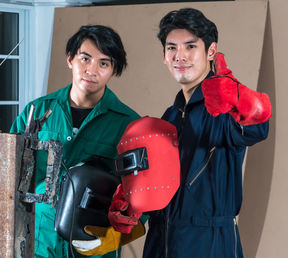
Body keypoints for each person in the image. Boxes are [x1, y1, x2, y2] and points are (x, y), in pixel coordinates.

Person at [108, 8, 272, 258]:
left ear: (211, 51)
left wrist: (237, 95)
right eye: (172, 47)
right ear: (164, 55)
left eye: (190, 46)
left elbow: (258, 125)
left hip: (210, 245)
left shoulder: (224, 110)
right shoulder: (169, 117)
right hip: (160, 243)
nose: (179, 56)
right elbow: (159, 188)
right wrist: (132, 205)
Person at [0, 25, 145, 258]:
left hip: (93, 243)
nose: (92, 70)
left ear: (113, 69)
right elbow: (4, 177)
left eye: (103, 63)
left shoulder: (129, 125)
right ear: (70, 59)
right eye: (85, 59)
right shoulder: (36, 112)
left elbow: (143, 195)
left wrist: (117, 235)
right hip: (40, 242)